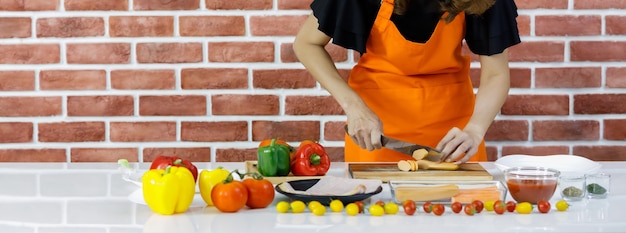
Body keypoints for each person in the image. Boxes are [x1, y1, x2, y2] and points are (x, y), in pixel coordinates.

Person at [293, 0, 521, 163]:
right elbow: (306, 44)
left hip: (454, 134)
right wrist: (354, 107)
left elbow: (496, 74)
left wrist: (475, 129)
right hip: (377, 133)